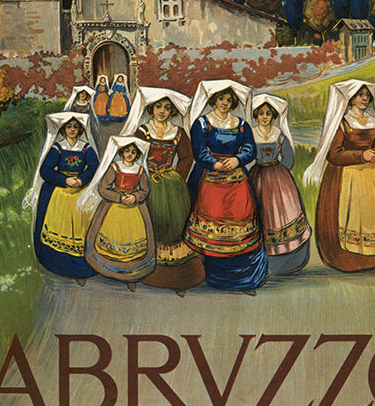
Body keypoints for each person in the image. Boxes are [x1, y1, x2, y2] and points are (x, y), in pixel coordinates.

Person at [303, 79, 375, 273]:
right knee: (353, 216)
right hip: (347, 176)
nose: (365, 99)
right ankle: (354, 260)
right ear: (351, 98)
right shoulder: (343, 123)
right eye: (360, 95)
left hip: (373, 175)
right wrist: (361, 156)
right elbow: (334, 154)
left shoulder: (373, 122)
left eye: (367, 95)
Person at [184, 79, 268, 294]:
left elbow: (250, 148)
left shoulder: (241, 124)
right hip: (208, 177)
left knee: (242, 220)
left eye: (229, 100)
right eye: (221, 99)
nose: (225, 103)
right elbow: (199, 150)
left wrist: (237, 159)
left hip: (237, 180)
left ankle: (244, 279)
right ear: (213, 100)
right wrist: (214, 163)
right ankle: (210, 275)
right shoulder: (202, 123)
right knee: (209, 222)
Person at [122, 87, 205, 294]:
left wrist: (176, 176)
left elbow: (186, 157)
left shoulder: (178, 132)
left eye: (167, 108)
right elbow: (134, 157)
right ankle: (139, 272)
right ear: (151, 109)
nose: (162, 111)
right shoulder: (143, 131)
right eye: (158, 107)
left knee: (174, 228)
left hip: (171, 185)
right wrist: (143, 178)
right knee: (147, 225)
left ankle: (177, 278)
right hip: (147, 183)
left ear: (172, 112)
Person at [23, 112, 99, 283]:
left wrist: (81, 179)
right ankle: (57, 264)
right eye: (69, 127)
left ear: (80, 130)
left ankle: (80, 268)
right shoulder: (57, 147)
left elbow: (94, 167)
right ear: (63, 129)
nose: (72, 130)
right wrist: (65, 180)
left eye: (75, 127)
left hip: (79, 187)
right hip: (59, 190)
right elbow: (45, 171)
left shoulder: (85, 147)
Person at [78, 135, 155, 289]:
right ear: (121, 152)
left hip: (134, 209)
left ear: (137, 155)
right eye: (127, 151)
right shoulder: (115, 167)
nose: (129, 154)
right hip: (113, 207)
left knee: (133, 237)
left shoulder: (140, 170)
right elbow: (103, 188)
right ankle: (107, 270)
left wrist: (135, 197)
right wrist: (119, 198)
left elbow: (145, 190)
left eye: (133, 152)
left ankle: (130, 274)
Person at [247, 92, 311, 274]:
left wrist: (280, 175)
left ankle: (287, 260)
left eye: (268, 113)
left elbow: (288, 158)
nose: (264, 117)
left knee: (283, 214)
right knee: (261, 213)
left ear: (274, 116)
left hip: (279, 179)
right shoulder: (251, 134)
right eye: (261, 113)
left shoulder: (279, 134)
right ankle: (260, 260)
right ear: (256, 116)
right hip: (258, 177)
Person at [64, 85, 104, 156]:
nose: (83, 95)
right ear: (78, 94)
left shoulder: (88, 105)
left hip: (85, 124)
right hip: (76, 124)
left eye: (85, 94)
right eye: (81, 93)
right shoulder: (75, 104)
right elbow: (70, 114)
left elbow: (90, 115)